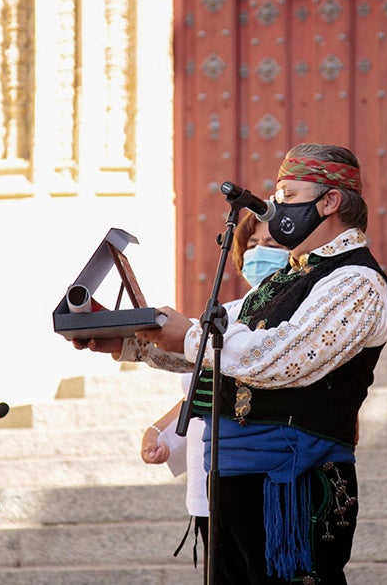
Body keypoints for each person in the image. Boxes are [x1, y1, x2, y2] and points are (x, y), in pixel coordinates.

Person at [74, 143, 387, 584]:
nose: (275, 206)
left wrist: (187, 335)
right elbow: (218, 347)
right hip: (234, 473)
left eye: (288, 194)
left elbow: (281, 357)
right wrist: (126, 340)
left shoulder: (357, 280)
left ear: (330, 201)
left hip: (294, 481)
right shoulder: (289, 276)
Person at [139, 213, 289, 563]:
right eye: (252, 245)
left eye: (271, 245)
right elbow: (204, 389)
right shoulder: (228, 312)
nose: (258, 253)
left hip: (255, 474)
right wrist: (158, 431)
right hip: (208, 476)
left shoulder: (294, 315)